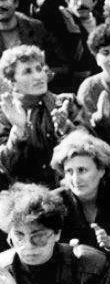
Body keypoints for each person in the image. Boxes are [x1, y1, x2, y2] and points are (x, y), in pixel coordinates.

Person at [51, 130, 110, 284]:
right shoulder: (54, 200)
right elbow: (19, 217)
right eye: (69, 171)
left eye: (82, 170)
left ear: (101, 170)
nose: (75, 179)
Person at [0, 45, 79, 187]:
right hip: (27, 199)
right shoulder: (4, 116)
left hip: (70, 191)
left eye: (39, 69)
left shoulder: (66, 103)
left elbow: (93, 151)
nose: (38, 76)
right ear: (12, 83)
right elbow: (8, 168)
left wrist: (67, 129)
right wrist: (18, 130)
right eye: (27, 72)